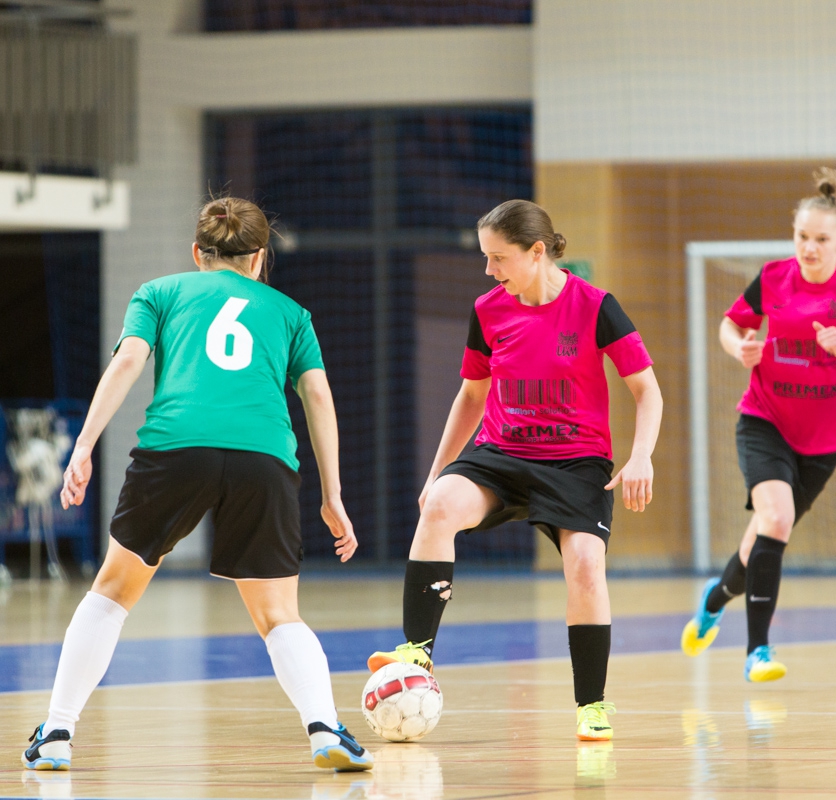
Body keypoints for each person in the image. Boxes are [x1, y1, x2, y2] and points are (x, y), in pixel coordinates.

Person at [23, 198, 372, 773]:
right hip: (263, 458)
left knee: (111, 592)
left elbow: (128, 362)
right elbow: (317, 395)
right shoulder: (291, 313)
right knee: (279, 614)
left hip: (175, 448)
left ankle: (56, 732)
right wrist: (332, 494)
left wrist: (83, 446)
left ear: (197, 253)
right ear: (259, 258)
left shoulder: (158, 292)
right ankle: (324, 729)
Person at [367, 200, 663, 742]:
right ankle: (417, 651)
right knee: (439, 506)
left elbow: (647, 390)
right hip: (501, 455)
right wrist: (438, 472)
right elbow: (471, 396)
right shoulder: (488, 311)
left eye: (498, 257)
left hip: (576, 463)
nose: (489, 270)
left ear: (537, 251)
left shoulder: (596, 307)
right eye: (486, 257)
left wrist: (641, 454)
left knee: (586, 567)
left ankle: (592, 704)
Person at [680, 169, 836, 681]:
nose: (809, 248)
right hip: (764, 420)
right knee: (777, 519)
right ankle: (757, 652)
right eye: (802, 236)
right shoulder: (772, 277)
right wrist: (738, 348)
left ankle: (714, 600)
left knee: (760, 539)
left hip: (821, 445)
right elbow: (731, 324)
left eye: (821, 239)